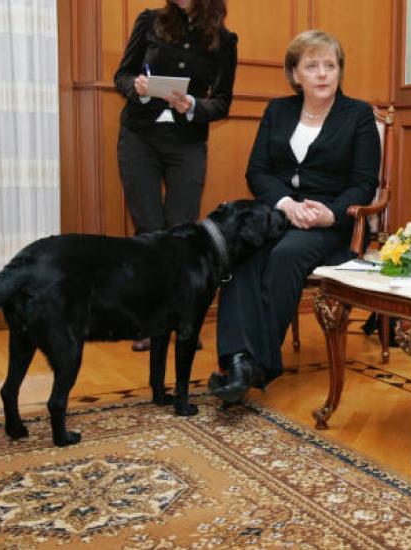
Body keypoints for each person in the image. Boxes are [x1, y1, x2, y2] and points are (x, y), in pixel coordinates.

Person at [210, 30, 381, 403]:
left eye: (330, 65)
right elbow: (257, 171)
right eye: (312, 66)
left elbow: (364, 182)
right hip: (280, 212)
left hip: (330, 221)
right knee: (241, 250)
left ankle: (256, 364)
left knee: (287, 254)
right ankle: (238, 359)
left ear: (339, 71)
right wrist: (285, 203)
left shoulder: (358, 115)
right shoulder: (278, 111)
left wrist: (330, 214)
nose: (322, 74)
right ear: (295, 74)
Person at [113, 0, 238, 352]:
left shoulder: (224, 40)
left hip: (187, 144)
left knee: (182, 233)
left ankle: (183, 320)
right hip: (139, 138)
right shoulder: (149, 21)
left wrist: (195, 105)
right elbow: (122, 76)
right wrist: (136, 87)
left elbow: (222, 101)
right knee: (150, 229)